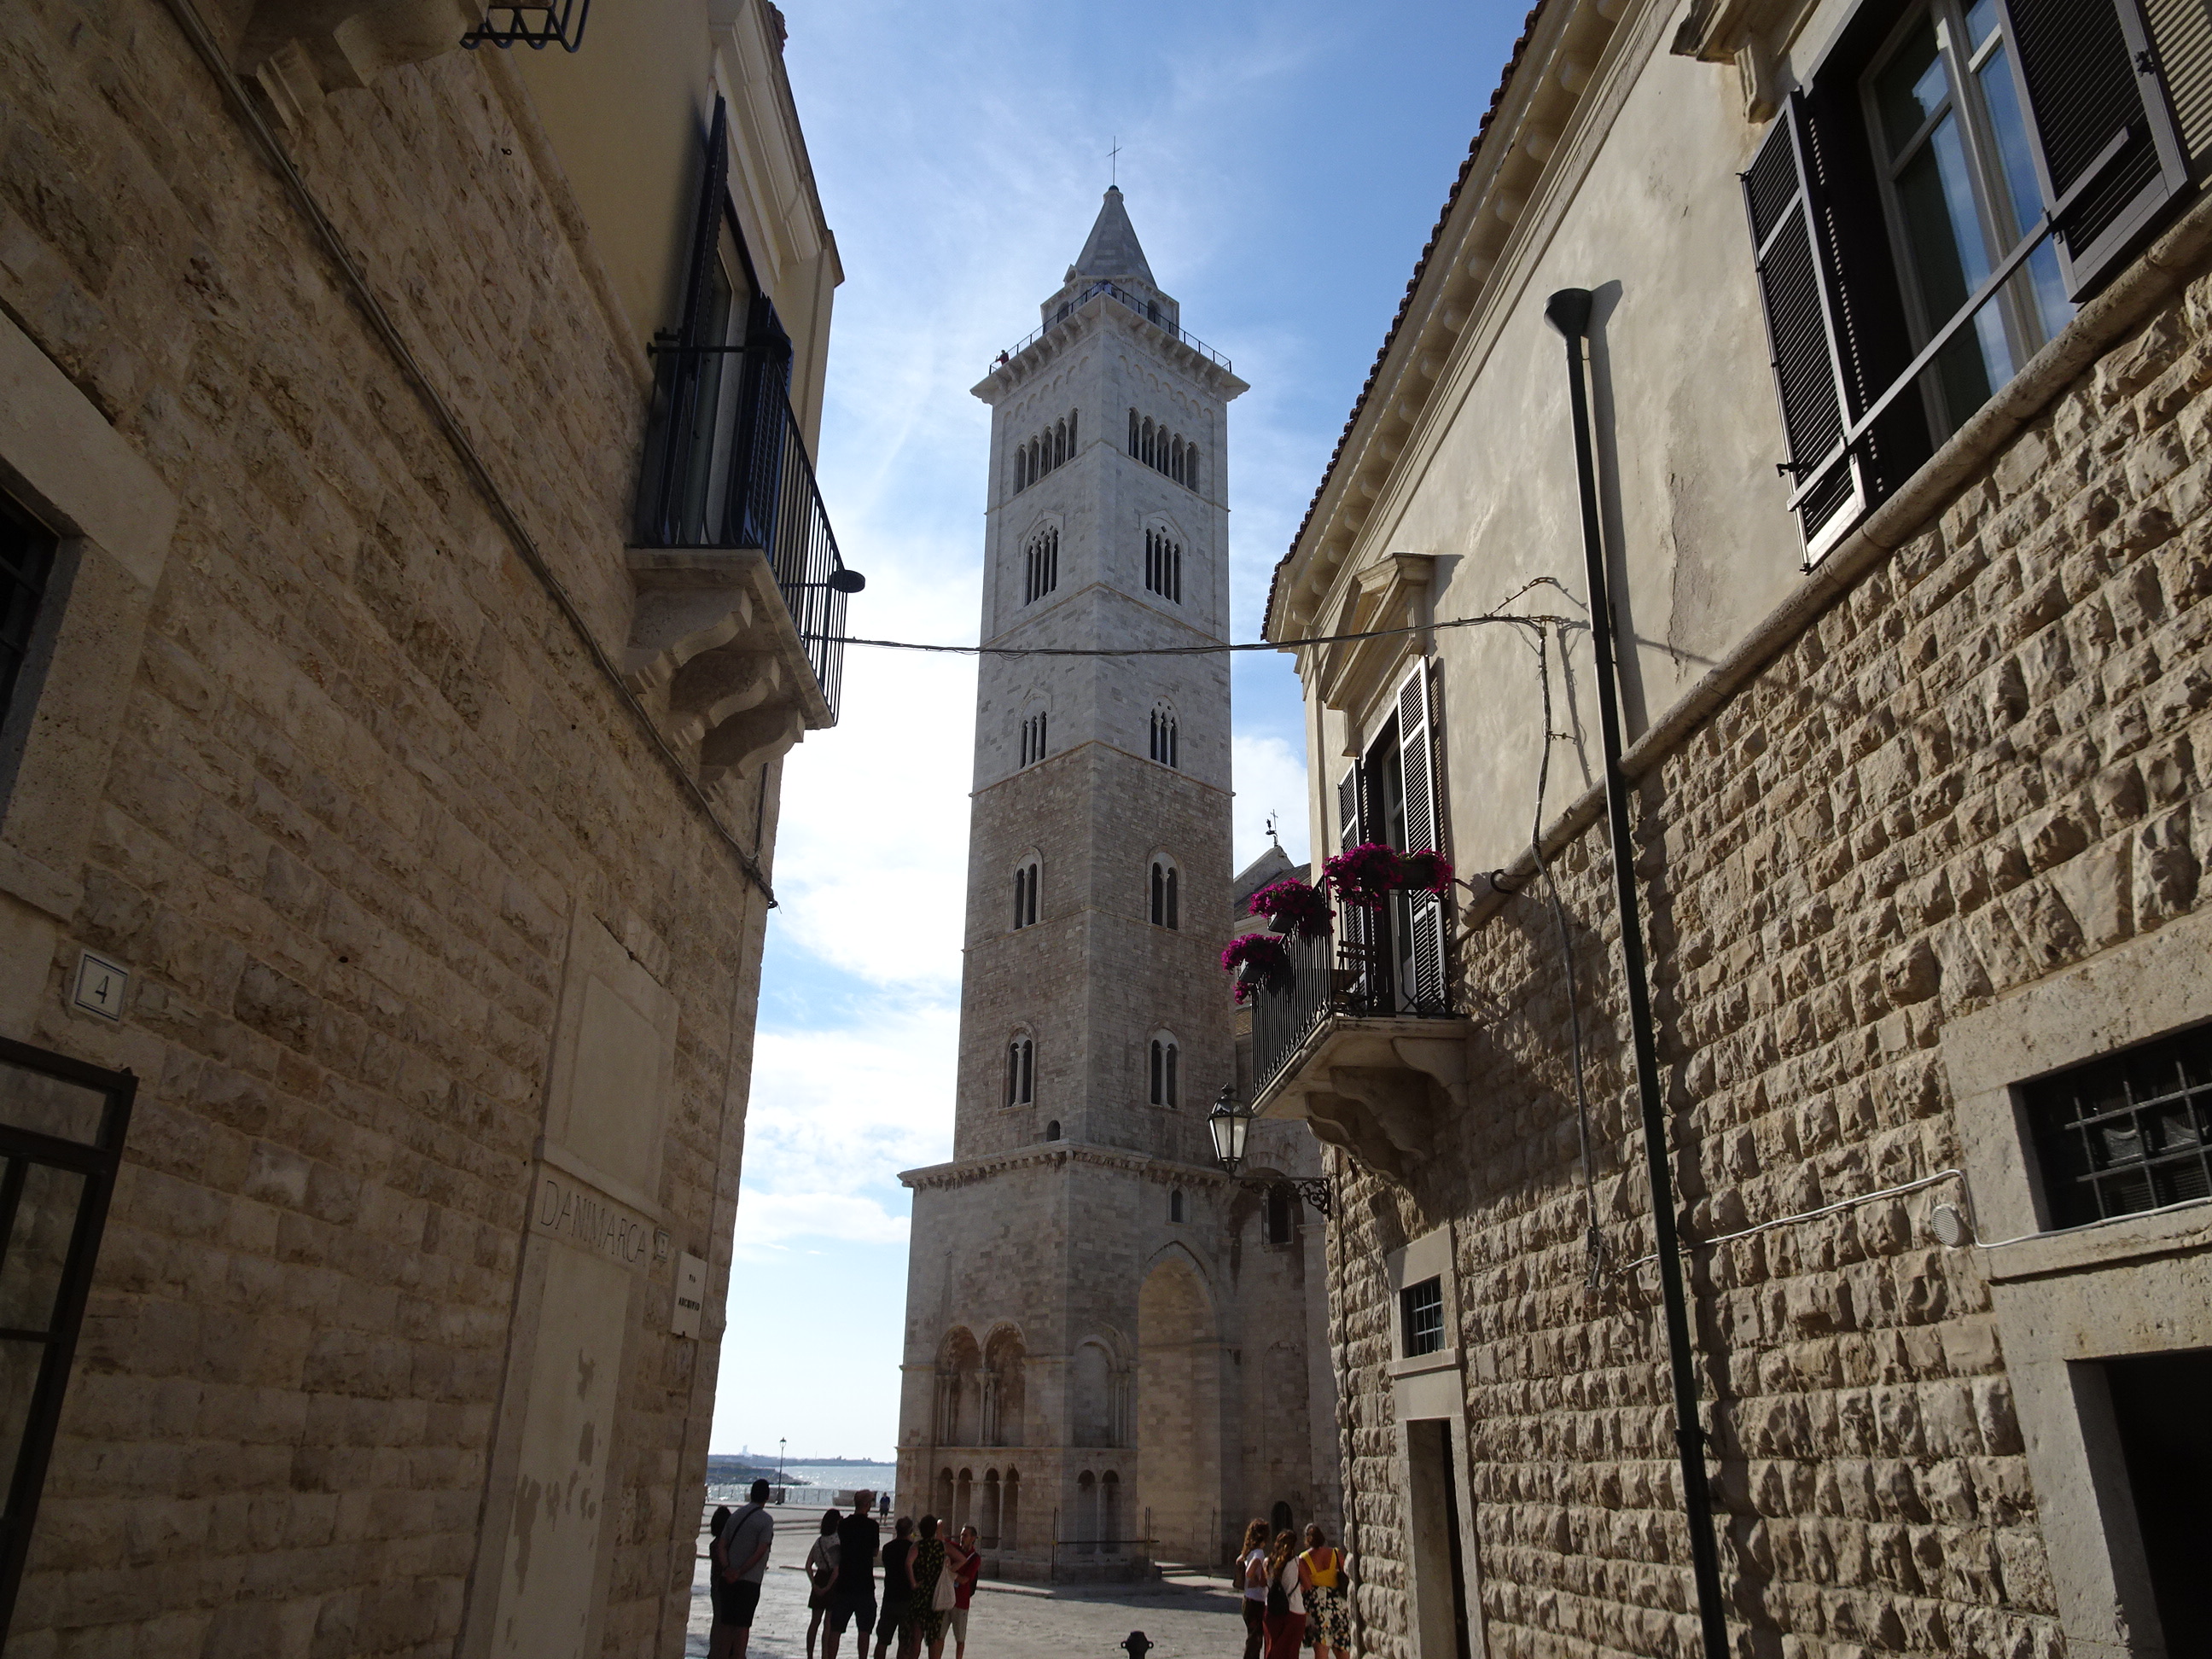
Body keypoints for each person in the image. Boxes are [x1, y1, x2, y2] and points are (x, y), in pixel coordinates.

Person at [713, 1479, 777, 1659]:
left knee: (727, 1625)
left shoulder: (735, 1516)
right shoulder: (766, 1520)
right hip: (750, 1580)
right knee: (742, 1626)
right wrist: (740, 1571)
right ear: (767, 1496)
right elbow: (760, 1550)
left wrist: (728, 1569)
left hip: (728, 1579)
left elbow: (721, 1545)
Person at [824, 1490, 882, 1659]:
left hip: (844, 1582)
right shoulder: (872, 1526)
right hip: (864, 1584)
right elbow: (875, 1551)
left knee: (836, 1628)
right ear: (867, 1505)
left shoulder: (843, 1525)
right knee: (864, 1630)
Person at [1299, 1524, 1348, 1659]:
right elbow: (1345, 1572)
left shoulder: (1303, 1558)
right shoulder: (1335, 1553)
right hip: (1338, 1603)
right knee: (1342, 1647)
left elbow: (1306, 1585)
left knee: (1321, 1649)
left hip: (1317, 1605)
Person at [872, 1515, 917, 1659]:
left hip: (890, 1598)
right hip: (907, 1599)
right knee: (904, 1642)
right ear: (911, 1531)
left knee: (882, 1640)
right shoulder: (913, 1549)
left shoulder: (887, 1548)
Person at [1260, 1529, 1310, 1659]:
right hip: (1294, 1610)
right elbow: (1308, 1585)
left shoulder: (1267, 1562)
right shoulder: (1297, 1562)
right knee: (1290, 1651)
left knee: (1272, 1649)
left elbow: (1262, 1583)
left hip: (1272, 1609)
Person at [805, 1507, 843, 1659]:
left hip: (819, 1577)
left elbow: (808, 1565)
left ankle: (809, 1655)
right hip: (831, 1583)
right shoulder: (836, 1542)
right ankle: (825, 1655)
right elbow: (836, 1570)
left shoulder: (819, 1541)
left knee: (814, 1622)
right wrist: (827, 1588)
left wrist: (814, 1584)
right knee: (828, 1623)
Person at [910, 1515, 949, 1659]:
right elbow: (962, 1559)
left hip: (921, 1594)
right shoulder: (941, 1547)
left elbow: (908, 1563)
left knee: (917, 1637)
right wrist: (950, 1571)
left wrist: (913, 1582)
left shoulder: (917, 1546)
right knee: (933, 1638)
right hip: (935, 1594)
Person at [1237, 1519, 1271, 1659]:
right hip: (1256, 1601)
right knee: (1254, 1641)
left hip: (1248, 1599)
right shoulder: (1259, 1553)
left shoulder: (1248, 1552)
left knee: (1253, 1638)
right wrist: (1258, 1579)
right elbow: (1249, 1572)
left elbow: (1239, 1561)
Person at [946, 1525, 981, 1659]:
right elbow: (941, 1540)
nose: (962, 1538)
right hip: (947, 1598)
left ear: (973, 1538)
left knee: (960, 1639)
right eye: (961, 1535)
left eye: (965, 1535)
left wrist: (950, 1572)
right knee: (939, 1636)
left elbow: (964, 1580)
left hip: (961, 1602)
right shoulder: (955, 1549)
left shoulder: (975, 1558)